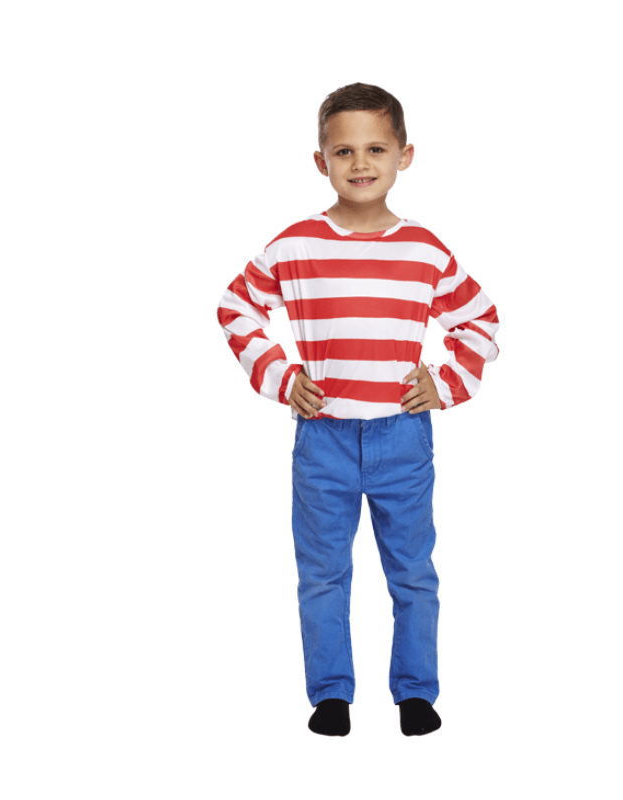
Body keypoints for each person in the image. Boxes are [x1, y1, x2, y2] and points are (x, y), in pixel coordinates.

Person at [216, 83, 500, 736]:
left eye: (376, 148)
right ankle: (331, 695)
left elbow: (480, 318)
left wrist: (446, 382)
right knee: (322, 574)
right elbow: (235, 307)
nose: (361, 163)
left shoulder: (425, 249)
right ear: (321, 161)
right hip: (323, 437)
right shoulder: (295, 246)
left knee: (412, 572)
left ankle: (416, 693)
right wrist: (282, 376)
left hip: (403, 435)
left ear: (405, 155)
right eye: (344, 151)